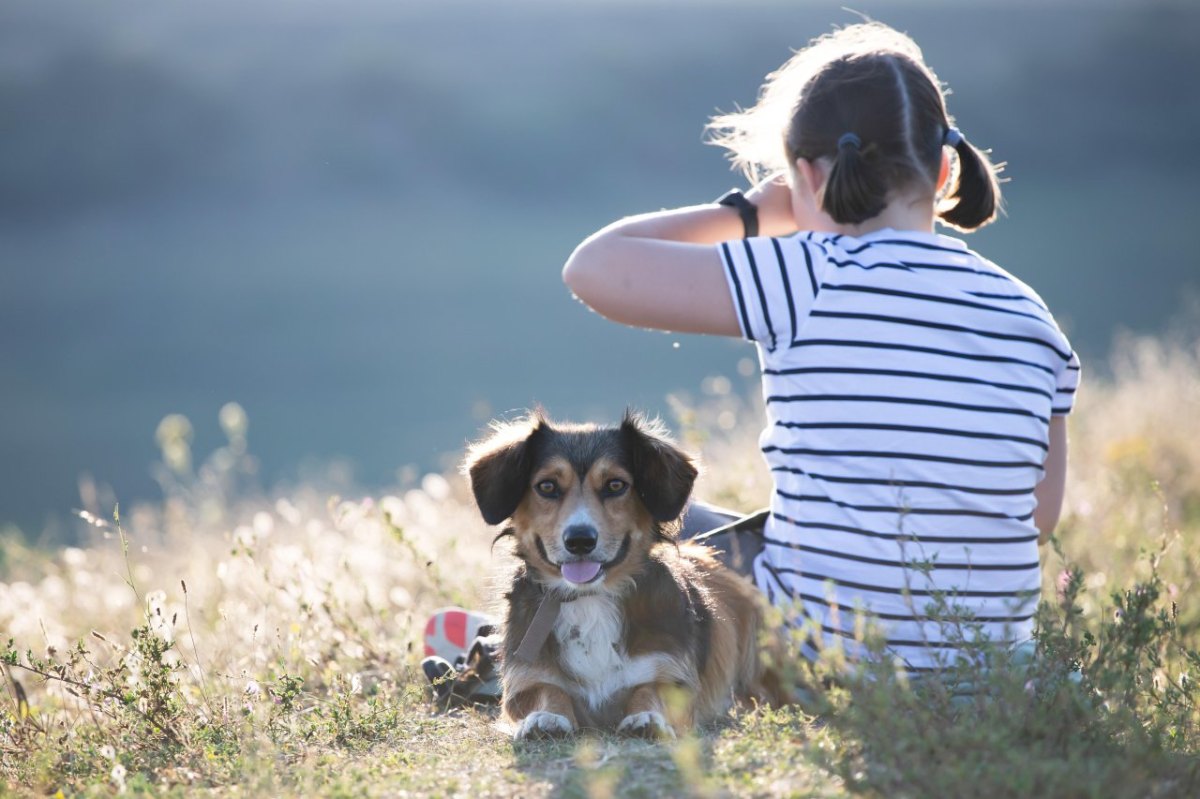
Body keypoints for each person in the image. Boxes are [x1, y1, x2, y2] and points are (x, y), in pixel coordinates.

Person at [560, 22, 1080, 675]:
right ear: (946, 168)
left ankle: (554, 653)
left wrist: (749, 214)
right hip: (992, 675)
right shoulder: (1031, 317)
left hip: (823, 663)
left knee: (637, 503)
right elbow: (1038, 518)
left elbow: (592, 268)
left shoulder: (805, 271)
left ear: (804, 176)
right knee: (731, 526)